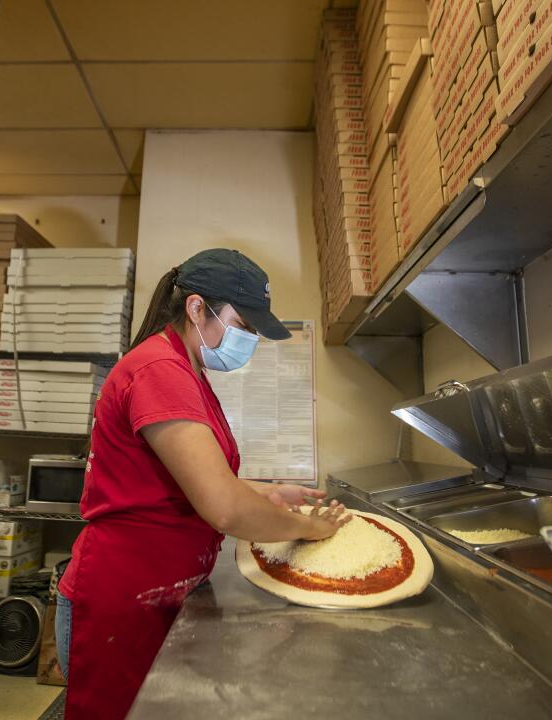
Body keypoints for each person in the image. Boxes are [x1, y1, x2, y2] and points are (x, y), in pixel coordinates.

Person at [56, 248, 350, 720]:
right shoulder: (159, 371)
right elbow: (223, 508)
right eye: (244, 325)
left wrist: (266, 493)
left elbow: (195, 481)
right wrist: (307, 528)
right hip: (121, 600)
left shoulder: (185, 370)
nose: (249, 339)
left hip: (155, 589)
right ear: (196, 308)